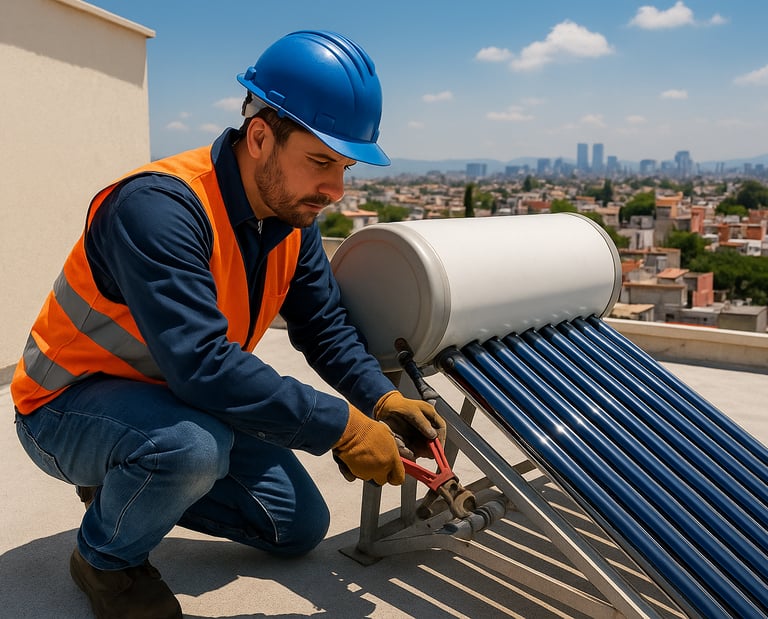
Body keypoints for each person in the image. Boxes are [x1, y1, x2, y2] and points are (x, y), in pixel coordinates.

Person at [11, 30, 445, 619]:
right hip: (66, 405)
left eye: (344, 167)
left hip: (175, 400)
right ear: (260, 137)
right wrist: (341, 426)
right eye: (321, 162)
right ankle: (105, 561)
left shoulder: (292, 219)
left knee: (297, 527)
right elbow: (202, 363)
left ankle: (125, 483)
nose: (336, 190)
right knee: (191, 449)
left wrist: (381, 398)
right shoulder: (158, 208)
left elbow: (323, 326)